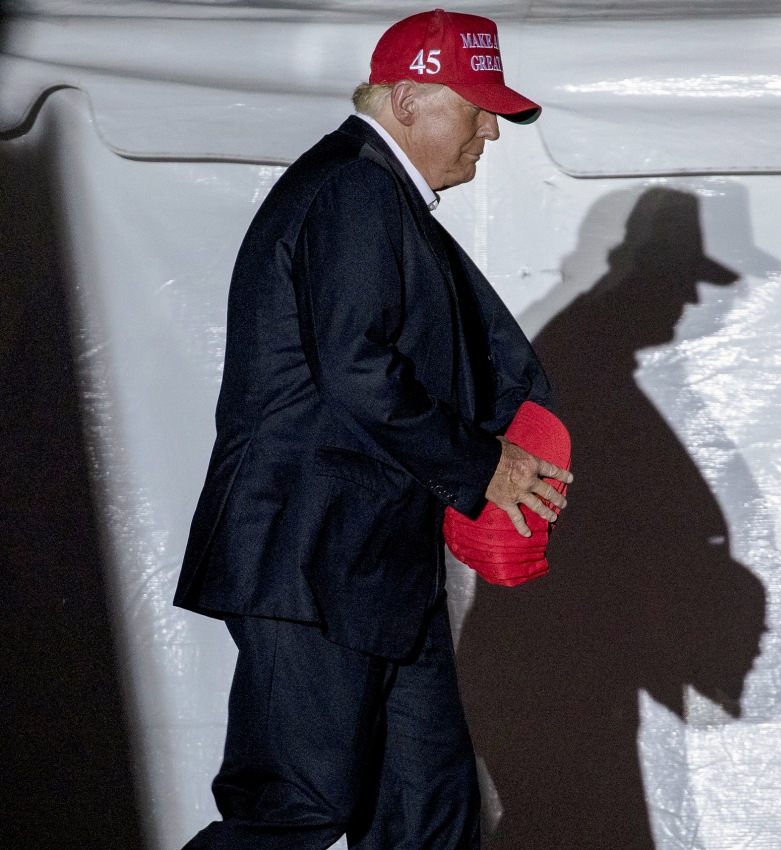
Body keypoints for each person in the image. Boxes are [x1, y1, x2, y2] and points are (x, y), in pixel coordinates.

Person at [173, 10, 571, 849]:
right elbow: (357, 368)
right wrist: (484, 466)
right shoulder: (353, 187)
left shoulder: (379, 192)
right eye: (478, 107)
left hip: (377, 566)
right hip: (311, 557)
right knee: (295, 811)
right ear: (406, 101)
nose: (492, 131)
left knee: (431, 818)